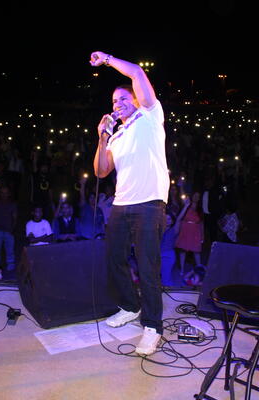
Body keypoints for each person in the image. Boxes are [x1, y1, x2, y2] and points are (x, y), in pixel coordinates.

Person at [91, 50, 169, 356]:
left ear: (136, 99)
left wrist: (107, 60)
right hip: (121, 205)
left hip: (149, 204)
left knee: (148, 266)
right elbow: (100, 171)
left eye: (123, 98)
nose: (118, 103)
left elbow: (136, 72)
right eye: (113, 102)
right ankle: (129, 306)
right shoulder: (117, 136)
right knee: (114, 259)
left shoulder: (150, 115)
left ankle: (153, 327)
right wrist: (101, 137)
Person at [161, 197, 190, 287]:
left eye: (170, 219)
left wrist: (186, 206)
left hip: (168, 255)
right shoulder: (159, 229)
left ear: (172, 220)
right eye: (166, 219)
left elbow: (179, 219)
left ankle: (168, 293)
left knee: (166, 278)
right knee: (159, 277)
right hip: (157, 254)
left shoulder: (174, 230)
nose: (168, 221)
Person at [175, 192, 204, 275]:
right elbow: (179, 218)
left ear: (199, 198)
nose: (196, 197)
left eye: (198, 196)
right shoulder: (186, 205)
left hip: (195, 230)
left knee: (196, 251)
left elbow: (201, 223)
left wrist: (202, 236)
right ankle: (182, 269)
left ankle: (199, 269)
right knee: (183, 250)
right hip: (185, 229)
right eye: (194, 195)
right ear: (192, 196)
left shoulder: (200, 209)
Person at [0, 186, 17, 272]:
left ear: (9, 194)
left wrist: (13, 229)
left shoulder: (12, 204)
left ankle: (10, 266)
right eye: (2, 192)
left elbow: (15, 217)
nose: (4, 195)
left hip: (8, 231)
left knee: (10, 251)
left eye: (6, 193)